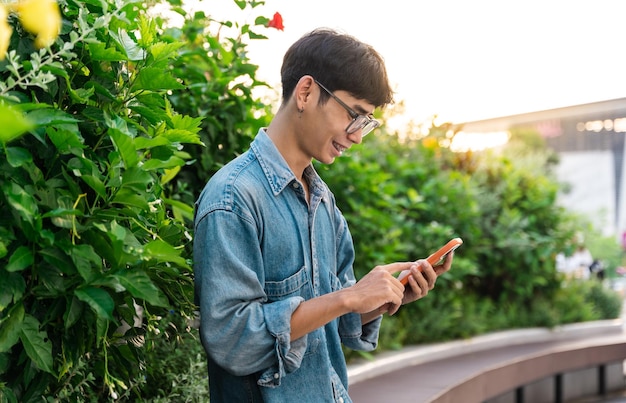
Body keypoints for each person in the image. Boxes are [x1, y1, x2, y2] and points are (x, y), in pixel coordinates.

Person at [193, 28, 454, 403]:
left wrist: (380, 298)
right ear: (306, 93)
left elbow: (329, 325)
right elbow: (234, 340)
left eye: (367, 123)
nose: (358, 136)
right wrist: (348, 298)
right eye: (355, 115)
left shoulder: (323, 203)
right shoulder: (234, 198)